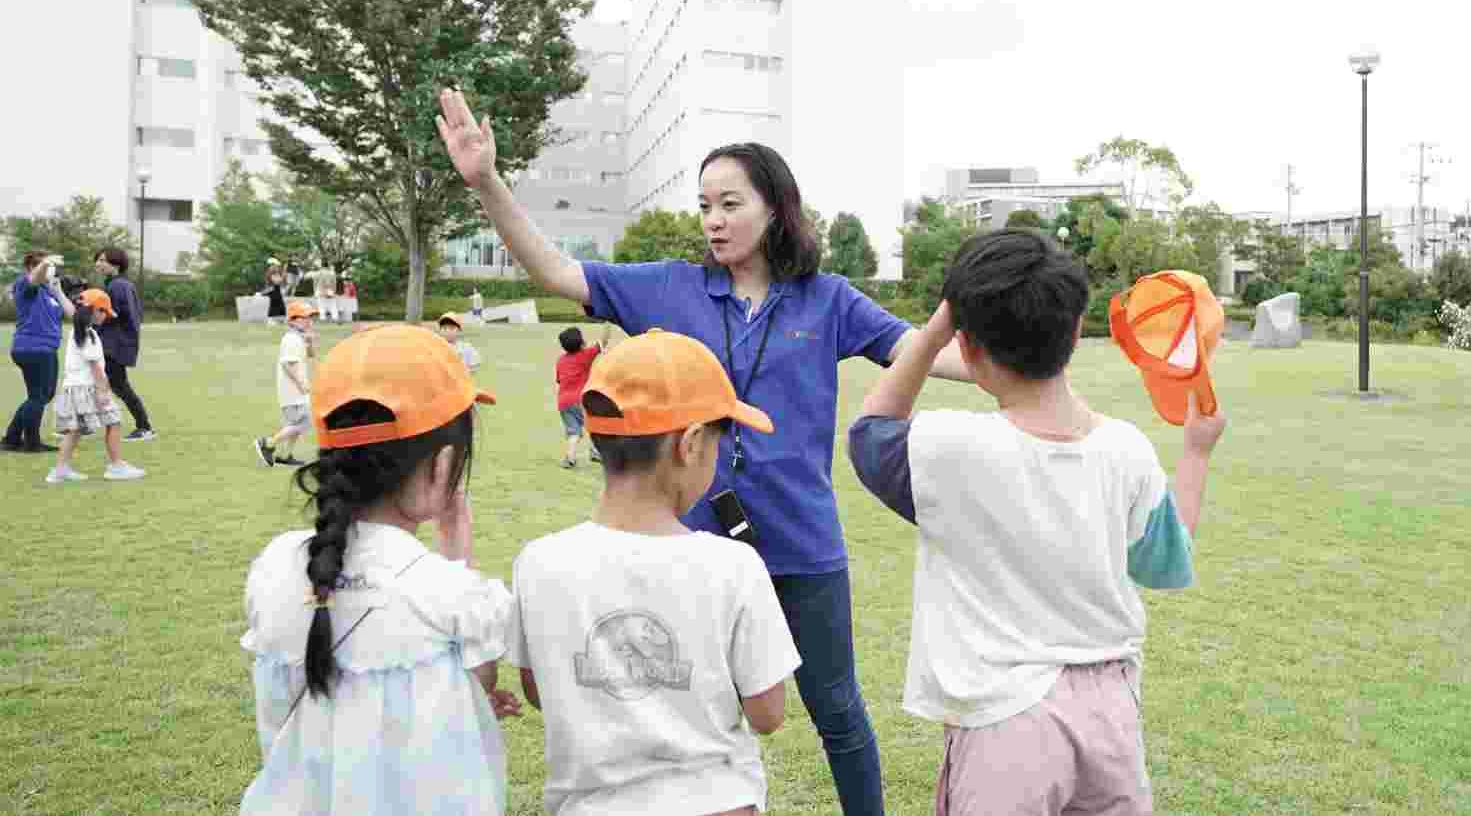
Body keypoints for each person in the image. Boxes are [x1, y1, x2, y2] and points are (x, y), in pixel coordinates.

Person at [439, 86, 972, 814]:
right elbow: (558, 273)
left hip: (803, 542)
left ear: (776, 208)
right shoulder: (669, 287)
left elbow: (916, 350)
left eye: (730, 203)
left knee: (838, 712)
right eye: (705, 206)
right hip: (689, 548)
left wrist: (1022, 363)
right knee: (686, 709)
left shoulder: (829, 299)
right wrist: (488, 184)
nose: (714, 220)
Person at [845, 230, 1223, 814]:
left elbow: (870, 431)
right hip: (1111, 714)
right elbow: (1167, 562)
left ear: (966, 349)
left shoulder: (948, 447)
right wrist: (1195, 455)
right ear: (1075, 331)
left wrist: (937, 327)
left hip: (1003, 722)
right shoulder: (1127, 449)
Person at [507, 329, 801, 814]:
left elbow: (539, 690)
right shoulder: (733, 565)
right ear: (690, 444)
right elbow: (767, 714)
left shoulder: (538, 562)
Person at [237, 324, 518, 814]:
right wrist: (455, 542)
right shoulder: (451, 593)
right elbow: (481, 678)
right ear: (443, 464)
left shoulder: (273, 568)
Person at [45, 288, 147, 483]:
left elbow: (74, 311)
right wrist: (103, 391)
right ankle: (116, 466)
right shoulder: (88, 334)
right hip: (88, 388)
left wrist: (59, 292)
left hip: (73, 388)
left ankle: (60, 470)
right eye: (105, 312)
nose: (106, 316)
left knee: (75, 430)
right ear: (95, 310)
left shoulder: (78, 329)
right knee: (114, 421)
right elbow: (95, 367)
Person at [5, 252, 72, 453]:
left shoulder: (49, 290)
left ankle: (12, 438)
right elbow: (34, 278)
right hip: (32, 348)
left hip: (46, 349)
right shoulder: (25, 285)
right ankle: (31, 442)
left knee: (40, 395)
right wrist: (45, 263)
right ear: (29, 268)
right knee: (39, 396)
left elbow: (72, 314)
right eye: (40, 266)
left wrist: (59, 292)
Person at [93, 247, 154, 441]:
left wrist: (91, 310)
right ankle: (79, 424)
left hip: (114, 345)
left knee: (119, 386)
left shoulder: (118, 286)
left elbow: (114, 314)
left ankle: (144, 427)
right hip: (114, 343)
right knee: (99, 384)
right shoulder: (117, 284)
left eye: (103, 260)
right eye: (98, 260)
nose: (98, 264)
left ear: (116, 264)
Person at [255, 302, 318, 468]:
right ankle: (268, 443)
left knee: (295, 424)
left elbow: (311, 355)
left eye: (311, 318)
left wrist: (310, 342)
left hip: (297, 391)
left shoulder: (299, 338)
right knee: (304, 422)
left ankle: (285, 455)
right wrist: (302, 385)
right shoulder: (291, 339)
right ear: (293, 320)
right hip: (293, 391)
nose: (309, 322)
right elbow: (289, 365)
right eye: (305, 318)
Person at [553, 326, 604, 469]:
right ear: (581, 342)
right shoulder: (585, 355)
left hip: (563, 402)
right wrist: (608, 322)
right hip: (581, 399)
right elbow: (602, 344)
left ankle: (570, 457)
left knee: (573, 432)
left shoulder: (560, 361)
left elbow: (559, 380)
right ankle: (595, 451)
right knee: (596, 423)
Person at [262, 263, 287, 328]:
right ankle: (271, 320)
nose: (277, 268)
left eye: (277, 267)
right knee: (274, 305)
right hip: (273, 291)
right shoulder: (271, 274)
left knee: (281, 305)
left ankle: (281, 319)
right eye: (276, 267)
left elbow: (280, 282)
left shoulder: (277, 274)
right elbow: (276, 282)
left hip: (277, 291)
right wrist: (282, 277)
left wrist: (282, 277)